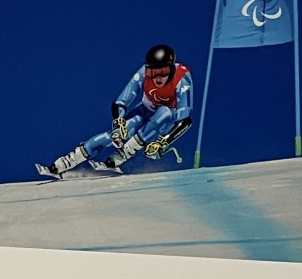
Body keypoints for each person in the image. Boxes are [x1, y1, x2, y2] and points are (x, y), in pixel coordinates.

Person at [36, 43, 194, 179]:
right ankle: (66, 162)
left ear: (171, 69)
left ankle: (122, 155)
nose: (158, 78)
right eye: (153, 73)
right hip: (145, 110)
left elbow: (184, 120)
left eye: (163, 72)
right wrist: (118, 124)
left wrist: (164, 141)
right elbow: (122, 101)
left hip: (166, 123)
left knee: (165, 112)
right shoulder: (143, 74)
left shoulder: (182, 78)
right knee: (119, 133)